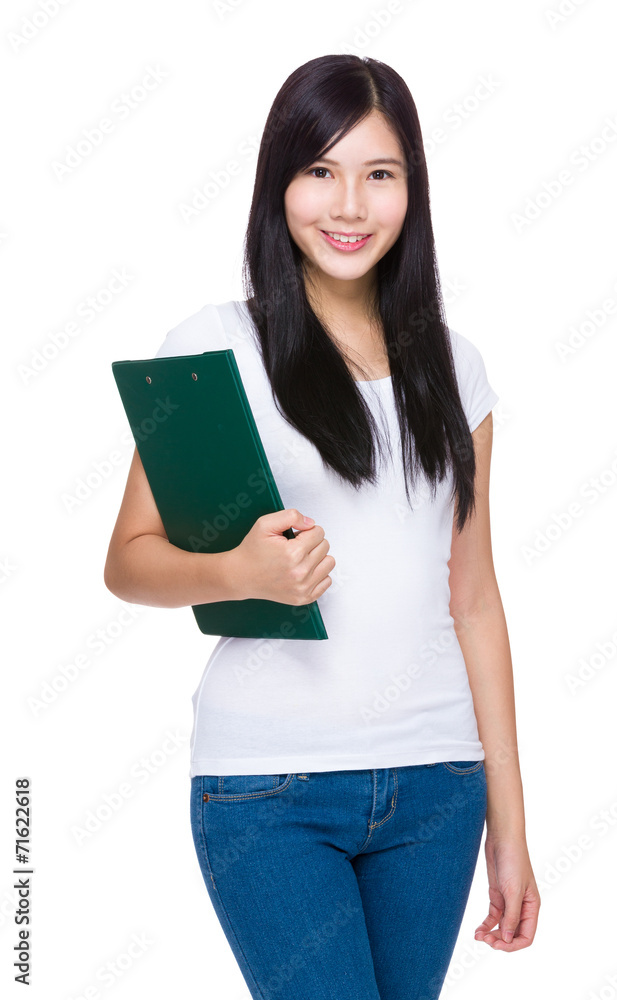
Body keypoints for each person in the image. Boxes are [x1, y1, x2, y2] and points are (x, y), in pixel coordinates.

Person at [104, 53, 540, 1000]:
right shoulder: (216, 345)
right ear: (279, 184)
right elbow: (129, 562)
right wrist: (240, 573)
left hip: (436, 788)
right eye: (320, 172)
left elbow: (474, 599)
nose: (349, 206)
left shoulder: (455, 369)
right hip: (270, 790)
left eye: (379, 175)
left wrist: (511, 824)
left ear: (411, 192)